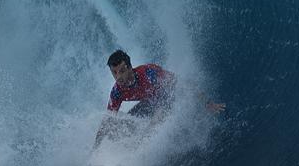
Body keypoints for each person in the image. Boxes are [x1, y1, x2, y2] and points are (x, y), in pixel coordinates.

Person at [96, 49, 225, 145]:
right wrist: (94, 150)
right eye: (114, 73)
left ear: (130, 68)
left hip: (168, 97)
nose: (118, 77)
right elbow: (107, 121)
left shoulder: (148, 74)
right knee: (128, 123)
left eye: (122, 71)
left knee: (153, 126)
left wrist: (207, 102)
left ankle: (138, 151)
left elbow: (183, 84)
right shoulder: (117, 92)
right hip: (149, 101)